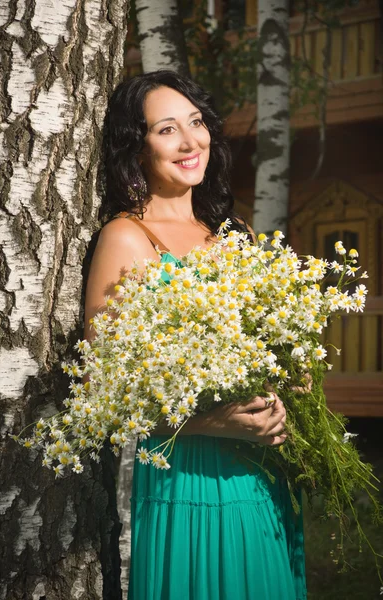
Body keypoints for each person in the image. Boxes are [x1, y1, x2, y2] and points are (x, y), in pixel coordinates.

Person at [84, 70, 307, 600]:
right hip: (186, 478)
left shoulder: (236, 236)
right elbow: (105, 387)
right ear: (135, 148)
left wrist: (288, 396)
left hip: (260, 477)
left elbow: (276, 352)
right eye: (166, 130)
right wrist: (212, 423)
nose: (190, 142)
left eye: (196, 122)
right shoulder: (126, 236)